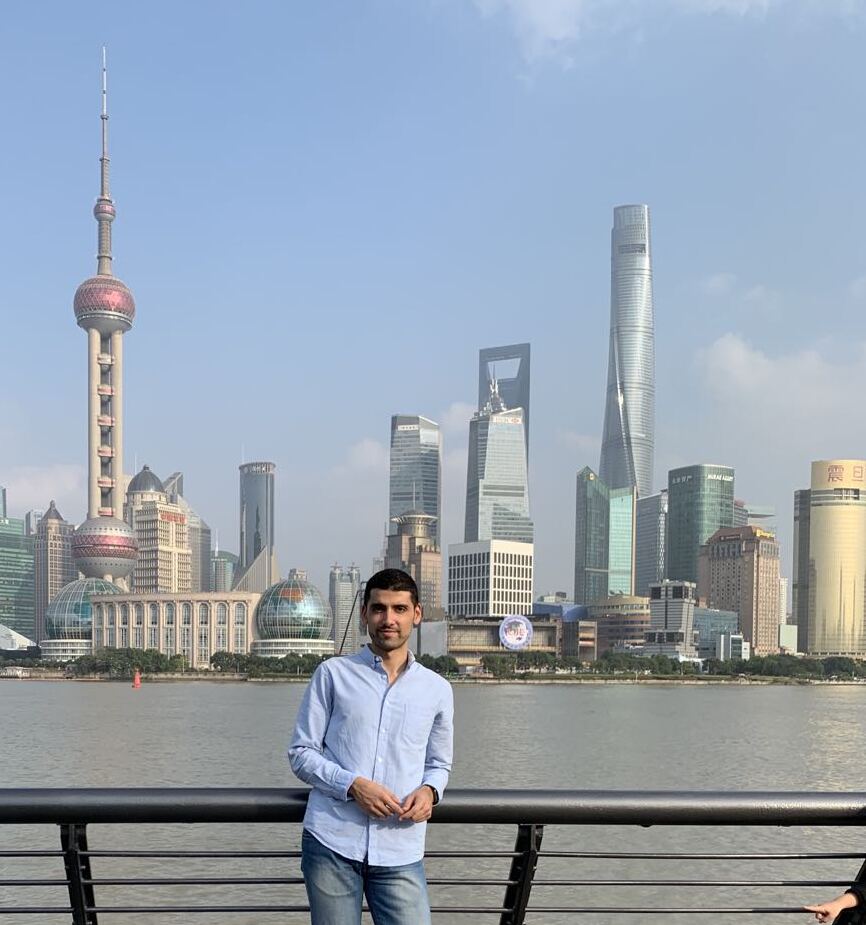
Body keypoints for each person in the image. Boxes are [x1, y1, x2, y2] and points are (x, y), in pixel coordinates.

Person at [289, 568, 454, 925]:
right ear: (364, 613)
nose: (388, 619)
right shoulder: (333, 674)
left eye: (399, 609)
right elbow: (301, 754)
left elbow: (439, 763)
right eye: (379, 608)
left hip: (401, 849)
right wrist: (352, 786)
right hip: (332, 842)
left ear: (417, 614)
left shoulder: (437, 689)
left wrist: (430, 791)